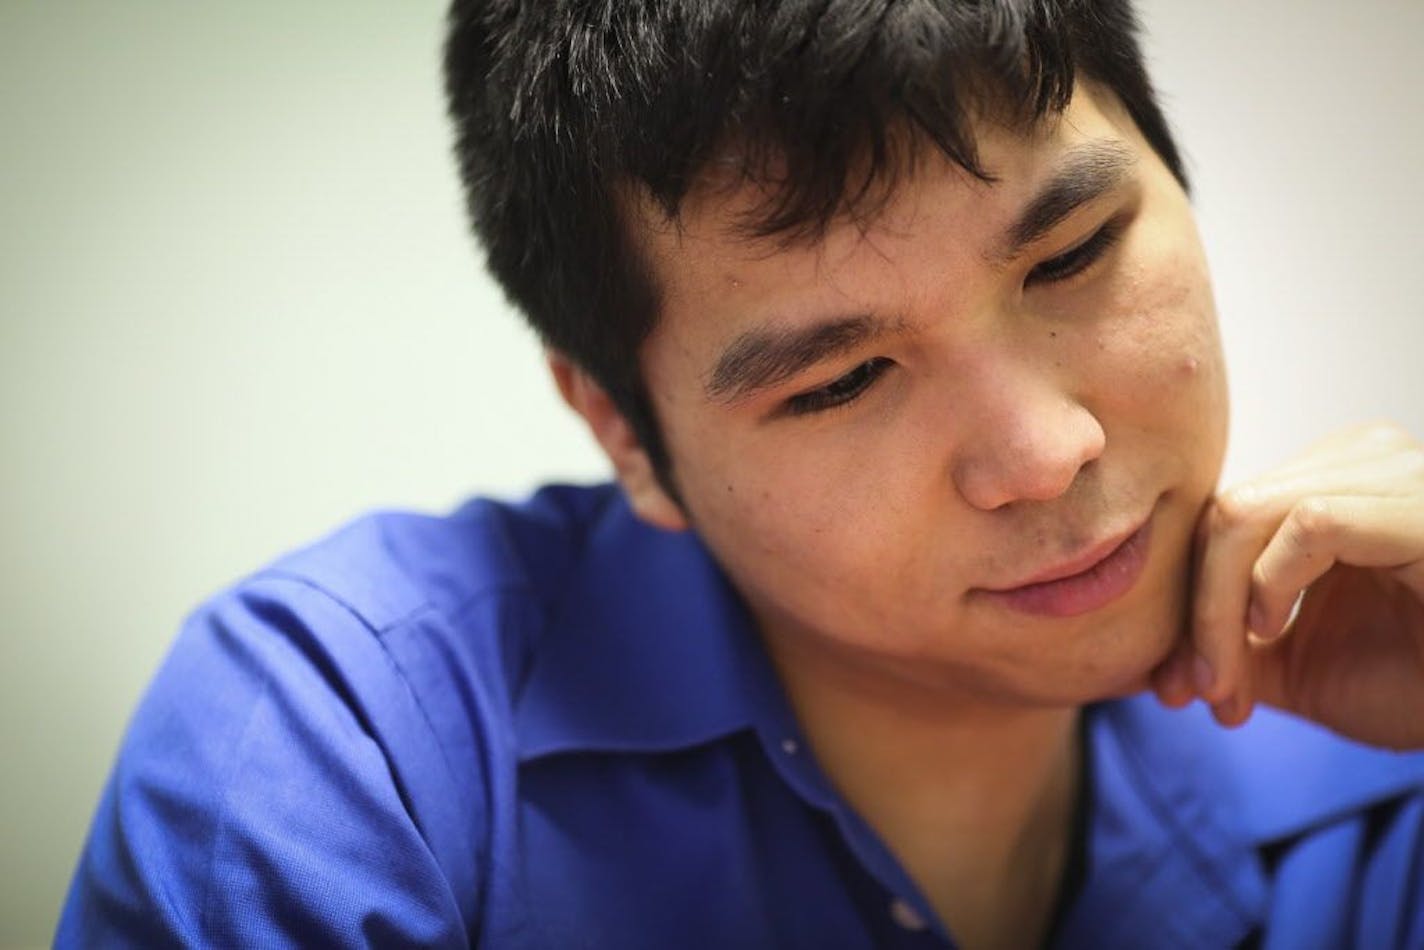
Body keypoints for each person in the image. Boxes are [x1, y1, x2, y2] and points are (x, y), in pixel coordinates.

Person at [58, 1, 1424, 947]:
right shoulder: (351, 753)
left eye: (1070, 257)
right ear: (621, 429)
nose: (1043, 450)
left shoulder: (1379, 732)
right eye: (840, 380)